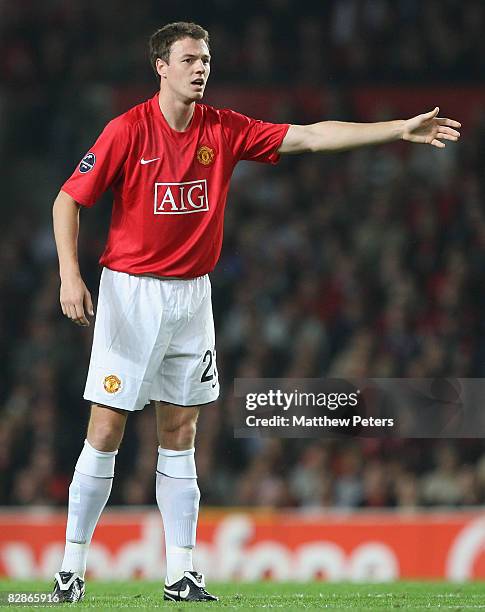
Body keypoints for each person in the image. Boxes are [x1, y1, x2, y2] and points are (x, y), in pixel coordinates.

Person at [51, 21, 461, 603]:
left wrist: (398, 128)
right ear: (161, 68)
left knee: (182, 429)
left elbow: (313, 136)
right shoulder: (126, 130)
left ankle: (182, 573)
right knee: (107, 425)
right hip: (131, 292)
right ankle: (70, 568)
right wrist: (70, 274)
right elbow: (68, 200)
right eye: (190, 59)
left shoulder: (225, 128)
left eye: (207, 59)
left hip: (193, 295)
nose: (202, 68)